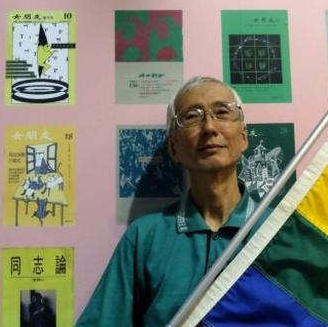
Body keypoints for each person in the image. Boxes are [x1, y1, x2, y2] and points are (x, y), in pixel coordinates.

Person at [77, 76, 268, 326]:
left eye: (222, 112)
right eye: (192, 117)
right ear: (174, 148)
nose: (209, 127)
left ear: (244, 137)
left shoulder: (281, 230)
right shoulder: (144, 238)